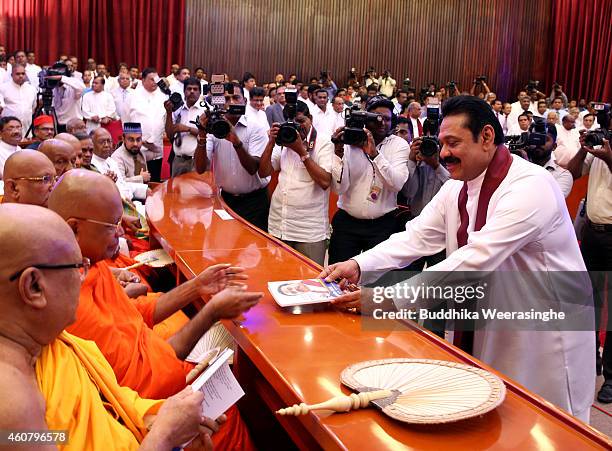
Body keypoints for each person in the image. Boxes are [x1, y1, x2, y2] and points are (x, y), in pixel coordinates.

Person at [321, 96, 594, 422]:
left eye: (454, 143)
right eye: (442, 142)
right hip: (493, 318)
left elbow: (474, 260)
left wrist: (386, 299)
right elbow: (416, 237)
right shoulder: (458, 186)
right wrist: (359, 265)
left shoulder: (531, 186)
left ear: (487, 137)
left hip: (544, 330)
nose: (445, 153)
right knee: (489, 417)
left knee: (544, 425)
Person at [48, 170, 259, 449]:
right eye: (112, 225)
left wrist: (198, 287)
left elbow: (126, 387)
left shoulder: (92, 267)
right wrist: (164, 431)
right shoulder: (63, 316)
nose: (122, 231)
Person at [0, 203, 222, 450]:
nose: (84, 277)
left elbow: (72, 430)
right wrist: (165, 437)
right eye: (78, 268)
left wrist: (157, 419)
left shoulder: (47, 340)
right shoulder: (11, 407)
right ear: (33, 287)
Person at [328, 95, 410, 263]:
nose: (382, 123)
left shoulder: (399, 145)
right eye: (376, 118)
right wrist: (338, 153)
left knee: (375, 283)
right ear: (365, 119)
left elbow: (397, 184)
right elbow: (339, 189)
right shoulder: (350, 142)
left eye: (387, 119)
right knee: (338, 278)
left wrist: (374, 154)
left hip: (382, 225)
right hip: (347, 224)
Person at [567, 130, 612, 403]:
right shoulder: (598, 148)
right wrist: (584, 148)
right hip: (593, 234)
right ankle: (591, 356)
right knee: (590, 300)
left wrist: (609, 158)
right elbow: (573, 172)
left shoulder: (606, 153)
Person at [258, 101, 333, 265]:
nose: (297, 127)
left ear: (310, 119)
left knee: (311, 283)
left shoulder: (324, 142)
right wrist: (271, 141)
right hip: (279, 224)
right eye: (292, 122)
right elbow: (263, 172)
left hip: (309, 230)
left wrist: (302, 151)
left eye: (301, 121)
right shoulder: (284, 139)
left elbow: (325, 181)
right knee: (277, 276)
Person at [195, 84, 271, 231]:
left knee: (253, 251)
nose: (232, 103)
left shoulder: (256, 128)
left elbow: (253, 168)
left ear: (245, 102)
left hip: (255, 202)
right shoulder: (213, 127)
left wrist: (236, 142)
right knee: (225, 245)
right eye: (227, 98)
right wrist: (202, 134)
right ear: (220, 102)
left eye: (236, 98)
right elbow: (200, 168)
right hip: (226, 200)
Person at [126, 67, 167, 182]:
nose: (155, 82)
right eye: (151, 79)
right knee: (139, 182)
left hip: (156, 148)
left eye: (156, 79)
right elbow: (126, 119)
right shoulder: (132, 95)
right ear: (143, 80)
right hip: (138, 147)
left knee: (154, 182)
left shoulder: (163, 96)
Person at [90, 128, 147, 200]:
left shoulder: (110, 161)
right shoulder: (91, 165)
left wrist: (145, 190)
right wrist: (106, 183)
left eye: (109, 141)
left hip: (127, 200)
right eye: (102, 142)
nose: (107, 145)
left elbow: (122, 185)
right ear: (92, 144)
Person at [164, 77, 204, 177]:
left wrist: (188, 129)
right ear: (184, 91)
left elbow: (209, 136)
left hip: (197, 162)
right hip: (178, 160)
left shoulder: (205, 110)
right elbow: (169, 134)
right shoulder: (177, 110)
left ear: (200, 92)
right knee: (176, 192)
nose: (192, 92)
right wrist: (169, 112)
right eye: (189, 89)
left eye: (195, 89)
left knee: (196, 192)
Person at [0, 64, 37, 138]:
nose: (21, 76)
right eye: (18, 74)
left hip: (27, 130)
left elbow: (33, 108)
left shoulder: (32, 89)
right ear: (12, 75)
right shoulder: (3, 88)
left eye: (23, 73)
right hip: (9, 130)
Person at [50, 68, 86, 132]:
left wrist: (62, 78)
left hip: (74, 125)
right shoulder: (53, 88)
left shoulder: (73, 89)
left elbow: (82, 87)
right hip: (58, 125)